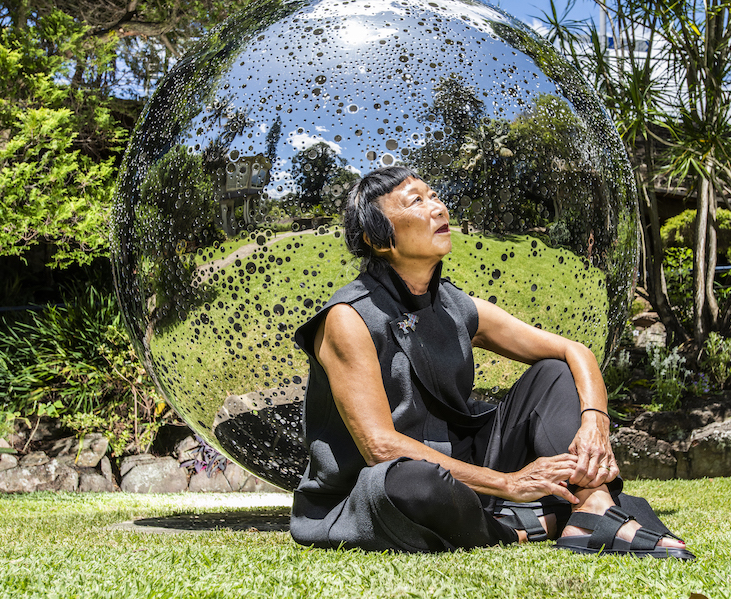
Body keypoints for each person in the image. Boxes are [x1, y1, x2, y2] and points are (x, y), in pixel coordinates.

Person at [289, 166, 693, 559]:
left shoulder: (454, 305)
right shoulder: (347, 317)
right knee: (413, 484)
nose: (438, 207)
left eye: (434, 195)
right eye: (416, 202)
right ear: (379, 240)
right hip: (383, 482)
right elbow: (380, 447)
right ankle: (521, 525)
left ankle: (594, 506)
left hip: (467, 467)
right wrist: (509, 483)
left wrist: (595, 422)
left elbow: (575, 351)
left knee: (553, 372)